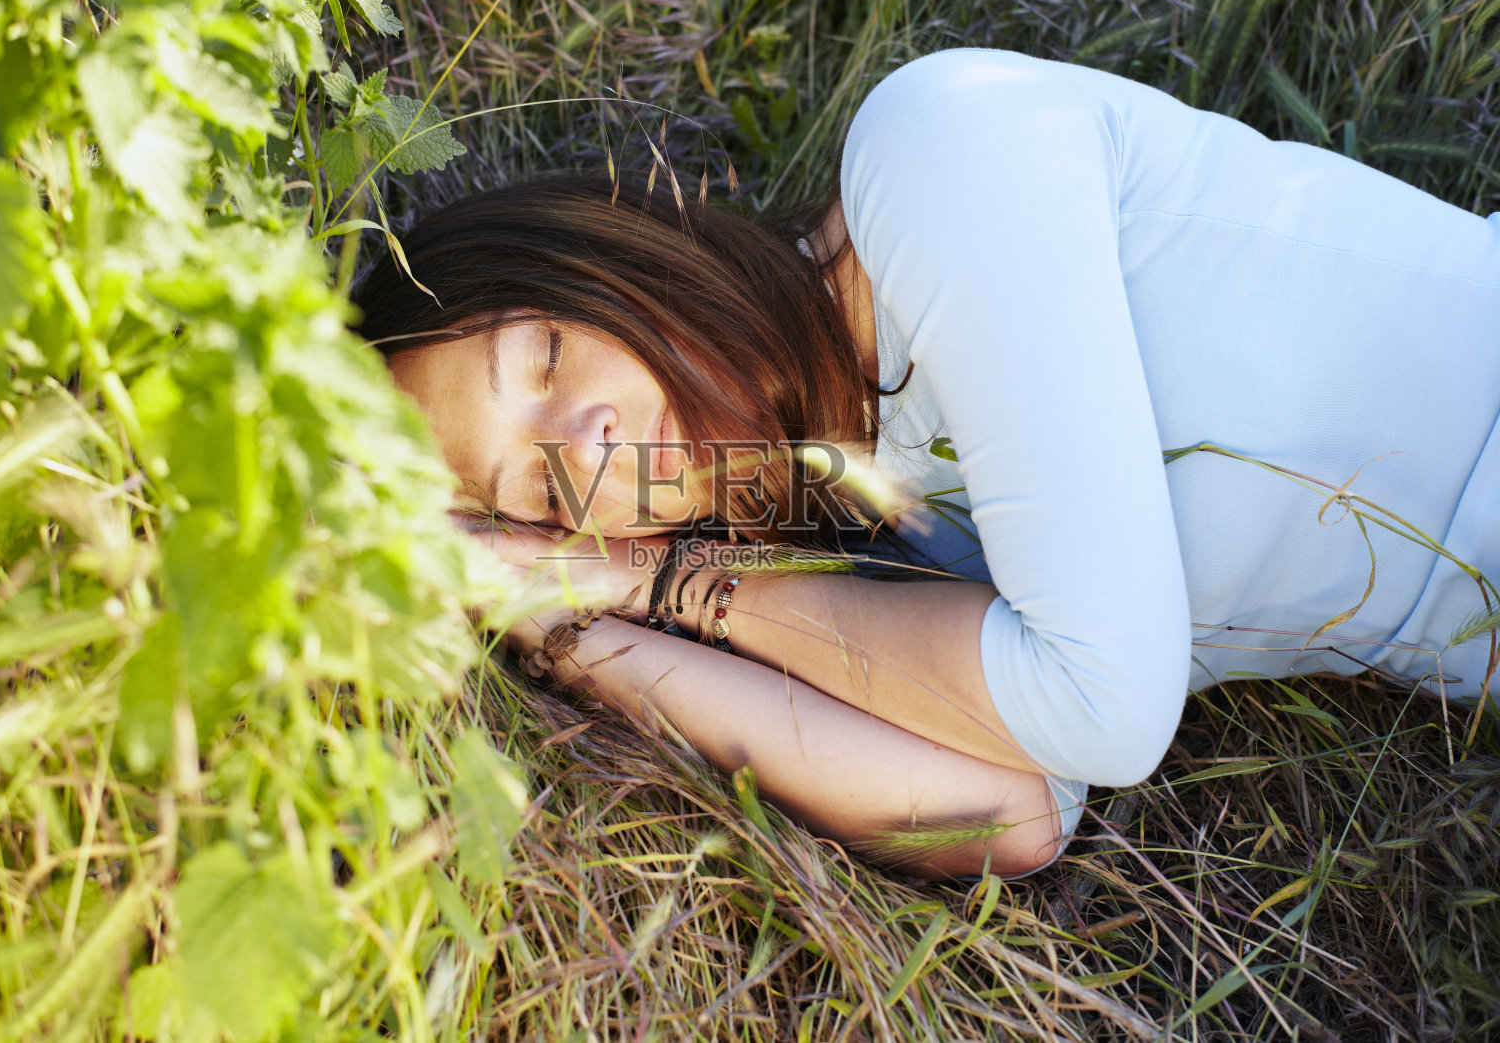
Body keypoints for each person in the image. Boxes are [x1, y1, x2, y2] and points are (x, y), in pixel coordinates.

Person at [352, 48, 1500, 879]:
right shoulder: (870, 528)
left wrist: (678, 588)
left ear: (606, 250)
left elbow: (1107, 710)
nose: (585, 442)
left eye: (544, 357)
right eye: (543, 490)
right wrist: (570, 624)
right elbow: (999, 813)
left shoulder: (935, 155)